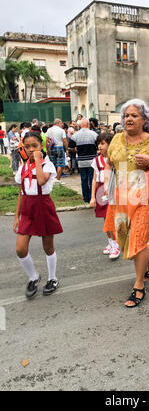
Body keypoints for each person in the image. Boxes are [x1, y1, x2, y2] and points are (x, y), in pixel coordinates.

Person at [103, 99, 149, 308]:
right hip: (121, 198)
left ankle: (139, 285)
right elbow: (110, 162)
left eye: (134, 115)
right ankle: (146, 263)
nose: (129, 119)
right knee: (125, 240)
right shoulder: (116, 138)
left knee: (138, 239)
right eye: (126, 115)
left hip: (144, 198)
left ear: (144, 120)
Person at [13, 131, 63, 299]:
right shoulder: (23, 168)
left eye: (34, 146)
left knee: (47, 246)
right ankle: (33, 277)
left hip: (43, 207)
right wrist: (16, 217)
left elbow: (41, 180)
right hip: (27, 208)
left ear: (41, 146)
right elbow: (21, 192)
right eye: (27, 147)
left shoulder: (48, 165)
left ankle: (52, 278)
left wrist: (37, 161)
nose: (31, 149)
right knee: (20, 249)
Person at [90, 133, 121, 260]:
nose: (100, 146)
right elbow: (94, 179)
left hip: (113, 190)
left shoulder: (116, 160)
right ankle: (110, 243)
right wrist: (92, 197)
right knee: (104, 218)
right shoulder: (96, 160)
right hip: (101, 189)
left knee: (112, 219)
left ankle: (116, 245)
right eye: (99, 143)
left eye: (103, 143)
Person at [68, 118, 98, 204]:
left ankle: (86, 198)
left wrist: (76, 150)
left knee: (84, 179)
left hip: (81, 161)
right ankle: (93, 197)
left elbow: (70, 148)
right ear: (88, 125)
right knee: (92, 179)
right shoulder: (94, 134)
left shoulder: (75, 136)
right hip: (92, 161)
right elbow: (98, 146)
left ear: (80, 125)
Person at [46, 119, 68, 184]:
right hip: (60, 147)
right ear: (58, 123)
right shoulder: (61, 130)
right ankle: (58, 179)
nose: (62, 125)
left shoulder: (49, 130)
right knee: (60, 164)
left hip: (52, 148)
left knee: (53, 164)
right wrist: (67, 149)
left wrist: (47, 149)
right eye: (61, 123)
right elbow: (64, 140)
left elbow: (47, 140)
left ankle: (53, 179)